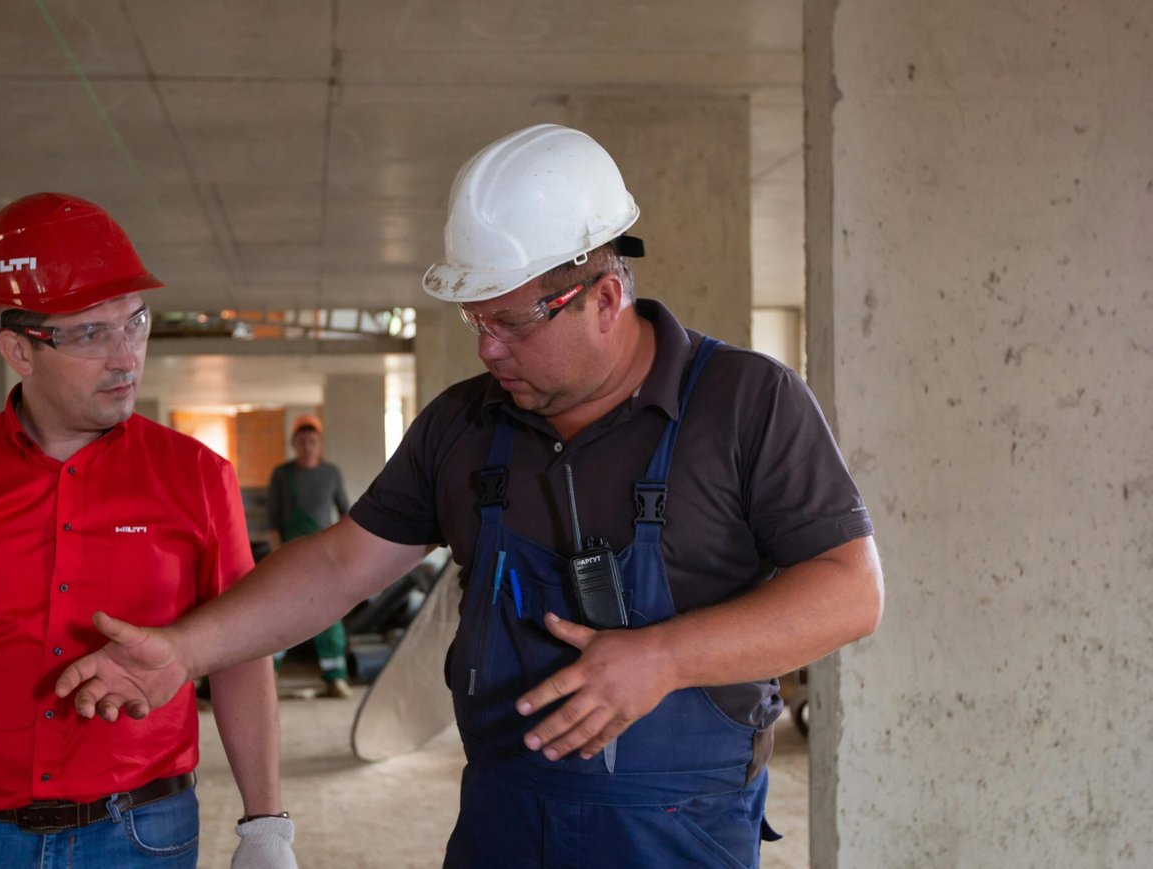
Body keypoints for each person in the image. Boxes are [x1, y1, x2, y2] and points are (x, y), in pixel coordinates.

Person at [54, 124, 887, 867]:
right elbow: (340, 566)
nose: (487, 348)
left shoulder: (746, 402)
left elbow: (851, 589)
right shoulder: (463, 424)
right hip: (501, 819)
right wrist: (187, 650)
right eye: (474, 320)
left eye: (511, 323)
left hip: (679, 828)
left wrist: (666, 657)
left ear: (605, 297)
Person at [0, 193, 297, 869]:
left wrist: (266, 823)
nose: (125, 358)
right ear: (19, 349)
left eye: (134, 323)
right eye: (90, 334)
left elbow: (241, 651)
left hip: (141, 835)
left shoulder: (197, 476)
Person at [264, 415, 353, 698]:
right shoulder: (283, 474)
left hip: (324, 556)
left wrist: (345, 552)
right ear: (294, 444)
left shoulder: (331, 474)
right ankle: (267, 677)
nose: (307, 446)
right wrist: (277, 557)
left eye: (312, 441)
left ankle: (335, 678)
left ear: (320, 444)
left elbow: (347, 513)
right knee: (281, 614)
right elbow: (272, 520)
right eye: (302, 441)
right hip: (290, 554)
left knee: (329, 615)